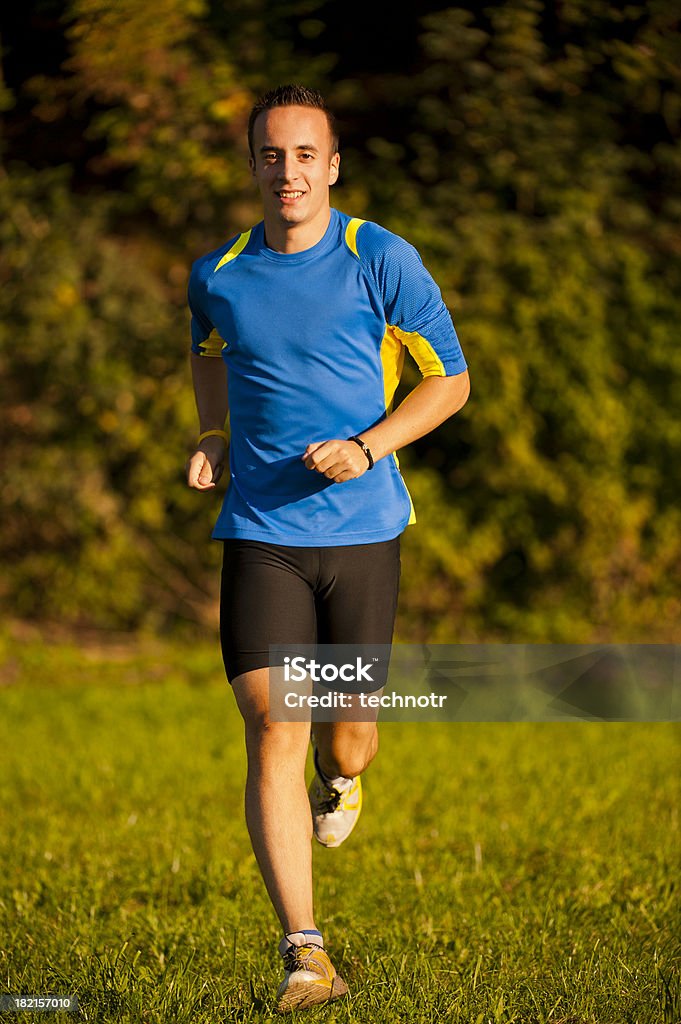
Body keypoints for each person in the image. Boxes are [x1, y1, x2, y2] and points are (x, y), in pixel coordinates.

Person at [186, 84, 470, 1013]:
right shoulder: (219, 272)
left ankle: (341, 780)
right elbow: (209, 353)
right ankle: (306, 954)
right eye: (272, 155)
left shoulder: (378, 257)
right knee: (274, 721)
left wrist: (368, 447)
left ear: (333, 164)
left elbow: (450, 383)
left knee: (347, 738)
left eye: (305, 154)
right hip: (261, 534)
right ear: (253, 166)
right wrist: (216, 436)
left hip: (364, 532)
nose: (288, 171)